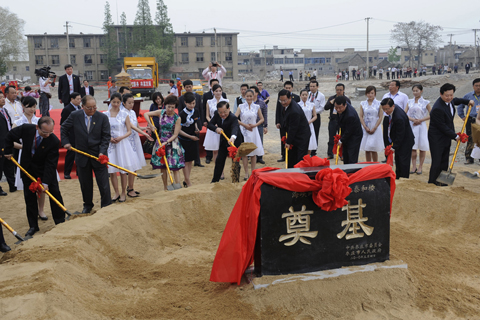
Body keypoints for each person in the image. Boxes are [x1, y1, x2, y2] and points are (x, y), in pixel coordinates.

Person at [4, 117, 66, 237]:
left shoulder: (53, 141)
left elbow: (51, 164)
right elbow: (9, 135)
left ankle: (60, 221)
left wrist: (46, 183)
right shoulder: (27, 129)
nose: (47, 135)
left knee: (54, 193)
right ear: (37, 127)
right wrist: (8, 151)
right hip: (28, 169)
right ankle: (33, 226)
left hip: (45, 170)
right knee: (29, 197)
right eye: (44, 132)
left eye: (50, 132)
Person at [61, 95, 112, 212]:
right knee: (85, 184)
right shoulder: (75, 115)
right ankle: (88, 205)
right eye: (89, 108)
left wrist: (102, 152)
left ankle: (106, 205)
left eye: (94, 107)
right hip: (82, 154)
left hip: (98, 155)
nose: (92, 110)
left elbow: (106, 137)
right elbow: (64, 128)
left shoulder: (102, 117)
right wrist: (66, 142)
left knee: (103, 183)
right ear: (82, 106)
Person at [428, 83, 474, 185]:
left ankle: (442, 180)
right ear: (441, 94)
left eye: (451, 95)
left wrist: (468, 102)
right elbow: (442, 126)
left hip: (446, 135)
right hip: (437, 137)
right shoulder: (437, 108)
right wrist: (456, 136)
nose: (449, 97)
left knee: (444, 158)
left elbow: (457, 100)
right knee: (437, 160)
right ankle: (432, 182)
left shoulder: (450, 100)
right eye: (446, 95)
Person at [11, 97, 49, 220]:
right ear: (23, 106)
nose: (32, 109)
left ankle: (41, 209)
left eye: (34, 106)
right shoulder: (18, 122)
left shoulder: (39, 121)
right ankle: (32, 211)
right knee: (29, 185)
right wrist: (24, 147)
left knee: (41, 182)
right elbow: (10, 141)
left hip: (40, 154)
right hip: (25, 155)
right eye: (29, 107)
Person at [146, 96, 185, 190]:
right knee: (163, 166)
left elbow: (175, 134)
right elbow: (146, 114)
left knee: (175, 166)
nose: (170, 109)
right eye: (168, 107)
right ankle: (165, 187)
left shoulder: (177, 118)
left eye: (173, 107)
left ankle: (177, 186)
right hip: (160, 141)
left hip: (172, 144)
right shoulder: (161, 112)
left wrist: (167, 142)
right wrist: (151, 125)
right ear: (165, 105)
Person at [105, 93, 136, 202]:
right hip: (110, 145)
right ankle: (116, 192)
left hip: (122, 144)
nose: (116, 104)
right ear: (110, 102)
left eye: (118, 102)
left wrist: (120, 137)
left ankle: (123, 192)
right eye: (114, 102)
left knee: (123, 170)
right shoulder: (105, 115)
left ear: (121, 103)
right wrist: (109, 138)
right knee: (112, 171)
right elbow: (103, 131)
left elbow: (129, 131)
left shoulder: (124, 114)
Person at [123, 93, 151, 196]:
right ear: (124, 103)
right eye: (129, 103)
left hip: (135, 140)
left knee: (134, 165)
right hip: (127, 140)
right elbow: (131, 127)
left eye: (132, 102)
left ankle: (131, 187)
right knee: (129, 165)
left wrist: (146, 129)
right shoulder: (122, 113)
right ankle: (128, 189)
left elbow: (137, 126)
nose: (131, 105)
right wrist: (144, 134)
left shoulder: (133, 112)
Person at [381, 98, 415, 179]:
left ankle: (403, 178)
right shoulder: (392, 111)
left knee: (403, 161)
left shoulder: (398, 117)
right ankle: (398, 176)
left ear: (393, 106)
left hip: (405, 141)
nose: (386, 111)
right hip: (399, 140)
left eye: (387, 109)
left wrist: (394, 147)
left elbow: (400, 135)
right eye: (384, 109)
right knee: (398, 159)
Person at [208, 101, 241, 182]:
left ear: (229, 109)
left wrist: (232, 138)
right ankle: (215, 180)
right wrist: (216, 129)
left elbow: (235, 128)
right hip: (223, 141)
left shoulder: (233, 117)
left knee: (235, 162)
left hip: (234, 142)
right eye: (220, 112)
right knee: (219, 160)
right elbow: (210, 124)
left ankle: (235, 181)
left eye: (225, 112)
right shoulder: (216, 114)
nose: (223, 114)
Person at [235, 89, 264, 180]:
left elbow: (262, 119)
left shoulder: (257, 107)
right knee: (244, 153)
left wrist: (255, 125)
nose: (249, 98)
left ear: (253, 96)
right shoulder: (240, 106)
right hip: (244, 131)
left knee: (253, 153)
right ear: (245, 96)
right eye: (247, 96)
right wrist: (245, 125)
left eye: (250, 96)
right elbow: (235, 118)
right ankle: (246, 173)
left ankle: (253, 172)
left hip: (253, 131)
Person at [278, 89, 310, 168]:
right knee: (291, 156)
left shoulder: (294, 111)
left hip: (301, 136)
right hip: (294, 134)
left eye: (285, 100)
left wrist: (288, 142)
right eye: (281, 101)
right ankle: (291, 172)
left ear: (290, 98)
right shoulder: (286, 105)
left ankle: (299, 176)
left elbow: (293, 128)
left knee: (300, 158)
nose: (282, 103)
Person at [405, 84, 432, 174]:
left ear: (421, 91)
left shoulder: (426, 102)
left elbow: (431, 114)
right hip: (412, 125)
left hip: (421, 126)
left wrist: (421, 120)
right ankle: (413, 166)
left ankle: (420, 166)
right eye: (414, 91)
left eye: (417, 90)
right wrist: (412, 119)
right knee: (413, 147)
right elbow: (404, 113)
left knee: (422, 147)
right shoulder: (409, 102)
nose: (415, 92)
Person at [178, 80, 204, 167]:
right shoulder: (181, 99)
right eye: (187, 87)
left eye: (190, 86)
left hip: (195, 123)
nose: (189, 88)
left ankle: (197, 161)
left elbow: (200, 110)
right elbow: (180, 112)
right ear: (184, 88)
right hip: (185, 127)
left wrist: (200, 124)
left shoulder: (198, 97)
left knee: (196, 142)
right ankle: (185, 161)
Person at [204, 84, 229, 171]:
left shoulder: (226, 101)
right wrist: (213, 124)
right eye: (216, 91)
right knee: (215, 150)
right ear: (213, 92)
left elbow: (228, 114)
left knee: (222, 150)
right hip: (213, 128)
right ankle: (217, 170)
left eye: (220, 90)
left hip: (223, 127)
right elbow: (207, 115)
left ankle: (222, 169)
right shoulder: (209, 102)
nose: (218, 92)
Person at [178, 92, 200, 187]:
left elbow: (195, 121)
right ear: (185, 103)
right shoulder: (181, 114)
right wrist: (190, 137)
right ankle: (188, 181)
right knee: (185, 161)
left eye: (193, 103)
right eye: (190, 103)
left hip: (193, 138)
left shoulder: (196, 111)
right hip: (184, 139)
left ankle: (186, 179)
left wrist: (196, 128)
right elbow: (179, 130)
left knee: (190, 160)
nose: (192, 105)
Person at [324, 83, 352, 159]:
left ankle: (342, 154)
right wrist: (331, 103)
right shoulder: (331, 98)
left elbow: (349, 110)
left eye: (340, 90)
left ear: (343, 90)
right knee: (331, 138)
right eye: (337, 90)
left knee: (342, 137)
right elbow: (326, 107)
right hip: (333, 120)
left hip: (343, 121)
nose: (339, 91)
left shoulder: (346, 100)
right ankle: (330, 154)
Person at [275, 81, 300, 162]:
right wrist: (277, 122)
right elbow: (278, 110)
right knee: (283, 139)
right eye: (286, 88)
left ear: (292, 88)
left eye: (289, 88)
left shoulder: (296, 98)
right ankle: (284, 155)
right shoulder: (281, 97)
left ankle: (290, 155)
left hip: (291, 123)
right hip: (283, 123)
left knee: (291, 139)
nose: (288, 89)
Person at [60, 92, 82, 179]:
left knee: (80, 154)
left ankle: (78, 171)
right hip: (71, 135)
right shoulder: (67, 109)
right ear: (72, 99)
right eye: (78, 99)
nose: (79, 101)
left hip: (80, 134)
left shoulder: (79, 108)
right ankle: (67, 172)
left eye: (80, 99)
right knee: (71, 155)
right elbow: (63, 123)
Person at [335, 96, 363, 164]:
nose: (338, 110)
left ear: (345, 105)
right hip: (347, 134)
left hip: (354, 137)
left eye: (340, 107)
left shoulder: (350, 115)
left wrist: (341, 140)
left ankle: (352, 172)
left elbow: (349, 131)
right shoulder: (343, 107)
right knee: (346, 156)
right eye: (336, 107)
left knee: (352, 157)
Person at [458, 78, 480, 165]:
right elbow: (460, 106)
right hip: (470, 119)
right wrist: (462, 116)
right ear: (473, 86)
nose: (478, 87)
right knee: (470, 138)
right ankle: (469, 158)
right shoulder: (468, 96)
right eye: (476, 86)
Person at [359, 86, 383, 162]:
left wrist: (375, 127)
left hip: (375, 127)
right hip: (366, 127)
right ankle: (368, 164)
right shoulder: (363, 103)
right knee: (367, 148)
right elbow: (361, 116)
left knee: (373, 148)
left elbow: (380, 117)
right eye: (368, 93)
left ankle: (375, 165)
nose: (370, 95)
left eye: (372, 93)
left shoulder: (379, 103)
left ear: (375, 94)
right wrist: (365, 127)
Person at [0, 91, 16, 195]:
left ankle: (12, 185)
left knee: (9, 165)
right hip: (1, 144)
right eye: (0, 97)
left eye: (3, 97)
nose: (2, 99)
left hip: (8, 142)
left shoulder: (4, 110)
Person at [250, 86, 268, 164]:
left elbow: (265, 114)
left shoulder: (261, 103)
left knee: (260, 140)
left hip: (259, 125)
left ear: (257, 93)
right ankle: (252, 157)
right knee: (251, 141)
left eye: (253, 92)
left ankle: (260, 157)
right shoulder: (248, 103)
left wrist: (265, 126)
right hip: (250, 126)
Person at [308, 80, 325, 156]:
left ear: (317, 87)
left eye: (313, 86)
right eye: (311, 86)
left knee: (315, 133)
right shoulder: (307, 94)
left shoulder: (321, 96)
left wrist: (314, 112)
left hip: (316, 116)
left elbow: (322, 107)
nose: (312, 88)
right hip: (307, 116)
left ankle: (314, 151)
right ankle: (308, 149)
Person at [298, 89, 317, 154]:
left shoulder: (312, 104)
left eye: (306, 95)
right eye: (303, 95)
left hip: (309, 124)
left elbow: (315, 116)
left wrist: (309, 121)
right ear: (300, 95)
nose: (304, 96)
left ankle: (308, 156)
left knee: (310, 142)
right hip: (300, 125)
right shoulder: (297, 105)